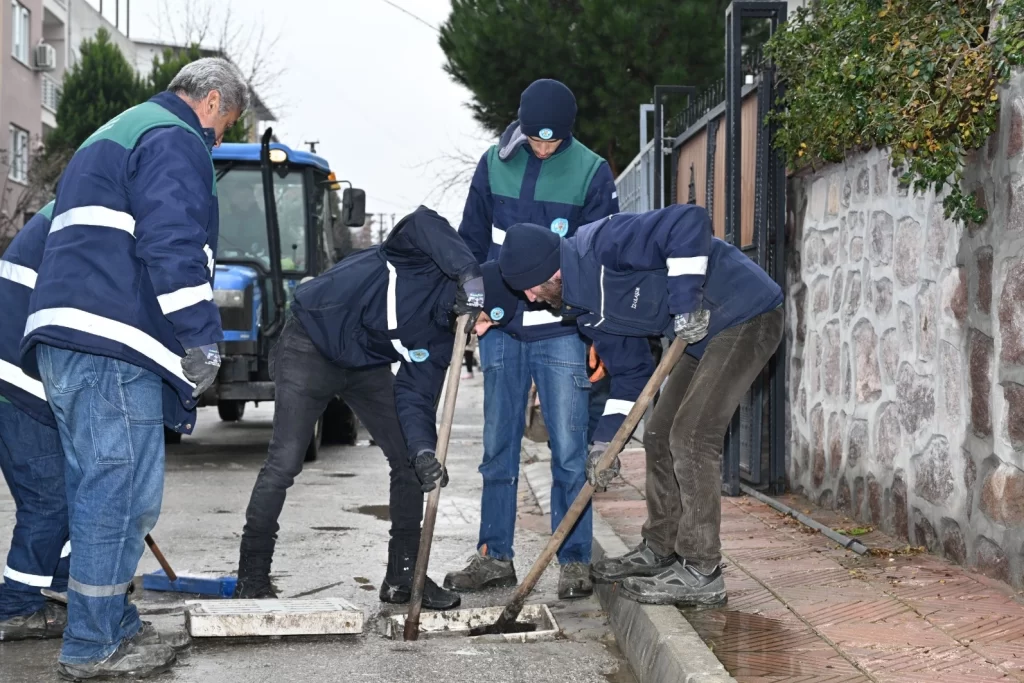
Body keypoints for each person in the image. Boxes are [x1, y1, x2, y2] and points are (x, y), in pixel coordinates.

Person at [20, 58, 248, 679]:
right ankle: (92, 644)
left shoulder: (118, 129)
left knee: (108, 492)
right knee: (118, 495)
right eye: (225, 124)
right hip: (112, 342)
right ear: (211, 102)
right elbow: (172, 240)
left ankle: (109, 623)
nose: (218, 139)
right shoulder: (176, 136)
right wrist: (201, 336)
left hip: (70, 339)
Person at [488, 204, 784, 607]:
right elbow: (632, 375)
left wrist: (685, 303)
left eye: (529, 288)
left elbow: (689, 221)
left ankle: (702, 570)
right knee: (659, 434)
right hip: (697, 337)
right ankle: (661, 548)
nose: (530, 298)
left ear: (550, 272)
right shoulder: (586, 314)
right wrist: (604, 446)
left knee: (692, 436)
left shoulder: (603, 242)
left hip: (744, 312)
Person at [233, 206, 488, 612]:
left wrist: (423, 451)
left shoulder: (443, 340)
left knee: (407, 459)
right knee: (284, 462)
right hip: (309, 344)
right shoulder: (428, 261)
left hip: (365, 364)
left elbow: (416, 398)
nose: (483, 329)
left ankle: (403, 577)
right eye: (487, 318)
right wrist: (469, 274)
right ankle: (252, 577)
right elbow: (421, 221)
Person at [449, 78, 619, 600]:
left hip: (563, 330)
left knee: (569, 449)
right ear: (521, 129)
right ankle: (494, 557)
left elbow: (600, 256)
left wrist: (596, 331)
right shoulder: (492, 164)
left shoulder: (591, 171)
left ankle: (574, 559)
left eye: (553, 141)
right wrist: (471, 300)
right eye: (536, 140)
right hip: (501, 326)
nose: (544, 148)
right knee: (498, 448)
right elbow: (471, 240)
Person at [0, 204, 69, 642]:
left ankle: (62, 589)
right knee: (50, 499)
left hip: (17, 369)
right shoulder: (93, 212)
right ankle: (17, 607)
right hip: (19, 376)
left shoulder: (75, 206)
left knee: (66, 494)